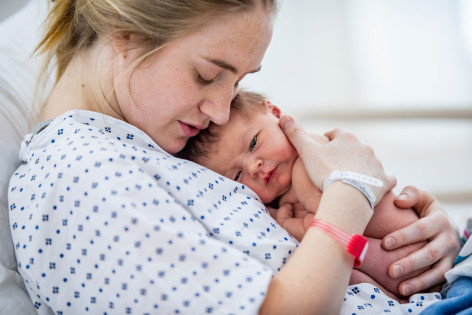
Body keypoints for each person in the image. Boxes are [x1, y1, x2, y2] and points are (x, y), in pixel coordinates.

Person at [7, 0, 459, 314]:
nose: (221, 110)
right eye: (207, 75)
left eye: (239, 81)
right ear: (126, 34)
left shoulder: (154, 140)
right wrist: (352, 191)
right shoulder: (82, 179)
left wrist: (421, 234)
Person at [178, 90, 442, 301]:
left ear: (276, 113)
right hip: (415, 272)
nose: (252, 167)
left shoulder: (309, 164)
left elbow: (331, 227)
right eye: (236, 175)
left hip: (414, 256)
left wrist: (291, 226)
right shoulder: (283, 192)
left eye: (254, 143)